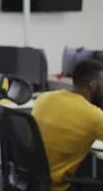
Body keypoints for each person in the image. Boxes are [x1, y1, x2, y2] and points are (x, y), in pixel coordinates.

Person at [32, 59, 103, 191]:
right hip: (57, 185)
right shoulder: (93, 115)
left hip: (31, 179)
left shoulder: (44, 98)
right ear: (93, 85)